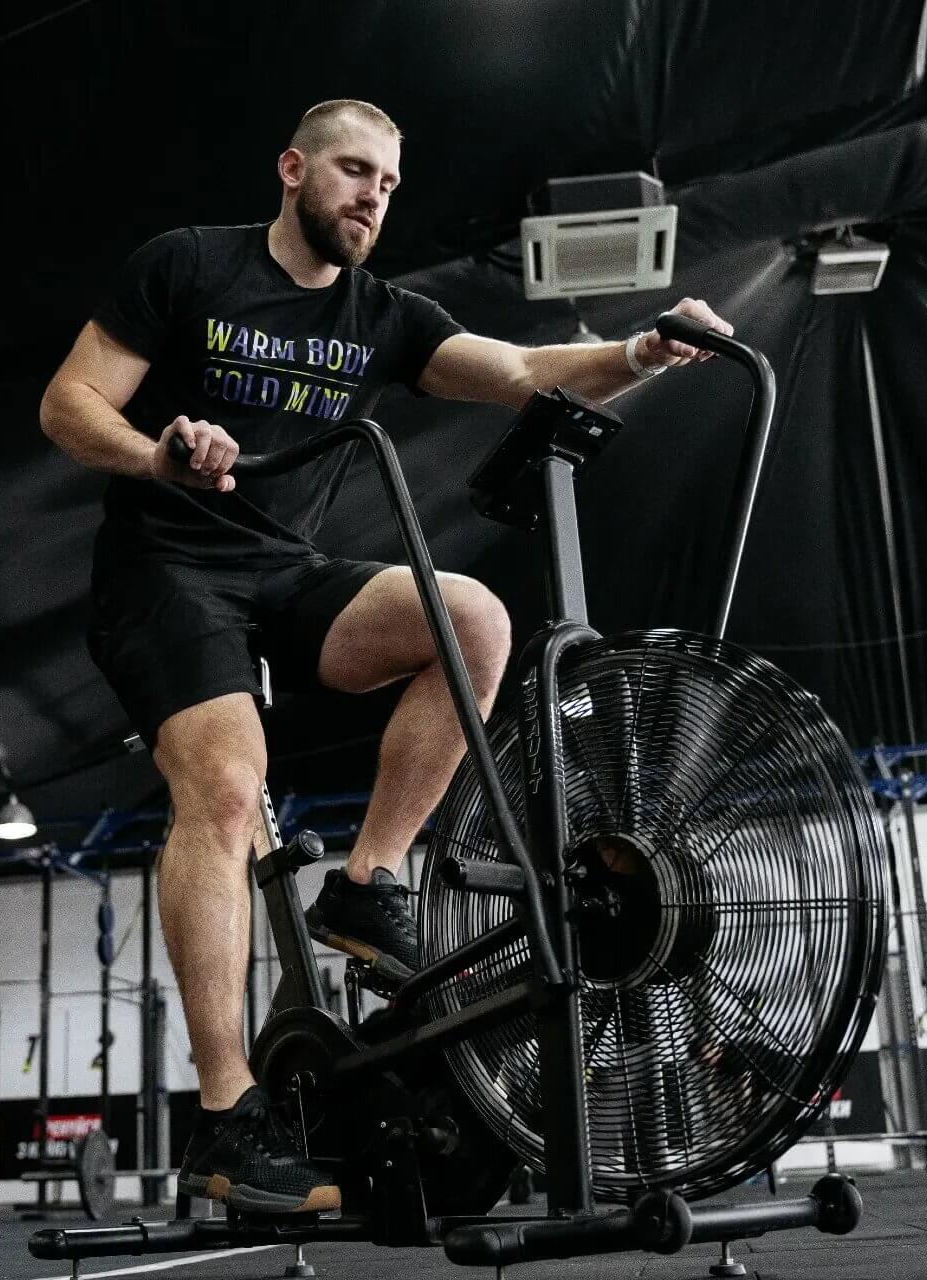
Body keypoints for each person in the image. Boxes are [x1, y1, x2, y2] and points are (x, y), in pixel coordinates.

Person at [40, 98, 732, 1214]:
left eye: (390, 184)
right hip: (166, 568)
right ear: (292, 169)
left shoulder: (382, 314)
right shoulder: (188, 267)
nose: (373, 196)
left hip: (283, 569)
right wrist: (158, 450)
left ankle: (367, 884)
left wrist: (641, 350)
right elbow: (67, 403)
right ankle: (228, 1116)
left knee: (476, 621)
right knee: (225, 786)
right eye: (355, 171)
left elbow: (519, 367)